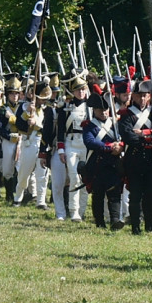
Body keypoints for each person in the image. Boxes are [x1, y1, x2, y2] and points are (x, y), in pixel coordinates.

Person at [118, 78, 152, 235]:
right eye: (139, 96)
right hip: (135, 157)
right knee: (136, 193)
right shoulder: (126, 114)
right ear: (134, 96)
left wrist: (144, 133)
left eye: (145, 95)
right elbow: (127, 136)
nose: (142, 99)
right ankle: (135, 227)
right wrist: (150, 139)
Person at [82, 93, 125, 229]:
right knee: (98, 194)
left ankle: (115, 220)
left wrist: (120, 146)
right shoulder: (89, 125)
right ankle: (99, 222)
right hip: (97, 163)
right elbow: (90, 142)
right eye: (100, 110)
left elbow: (125, 137)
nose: (104, 112)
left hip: (113, 163)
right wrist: (109, 147)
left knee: (114, 192)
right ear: (94, 110)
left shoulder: (116, 124)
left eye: (106, 109)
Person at [57, 71, 91, 221]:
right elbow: (60, 130)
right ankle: (73, 210)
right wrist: (61, 149)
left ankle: (82, 210)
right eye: (78, 89)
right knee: (73, 177)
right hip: (71, 143)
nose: (81, 92)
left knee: (85, 178)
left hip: (86, 144)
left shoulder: (90, 107)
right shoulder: (65, 107)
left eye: (83, 89)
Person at [13, 80, 51, 208]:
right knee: (24, 173)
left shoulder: (48, 110)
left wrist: (36, 124)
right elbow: (19, 125)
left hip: (42, 142)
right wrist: (26, 114)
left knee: (42, 175)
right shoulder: (24, 107)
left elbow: (48, 129)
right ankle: (18, 197)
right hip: (29, 142)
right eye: (41, 98)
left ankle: (41, 201)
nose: (43, 101)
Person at [0, 75, 22, 202]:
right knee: (7, 169)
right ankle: (9, 195)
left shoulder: (22, 108)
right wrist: (8, 136)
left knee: (21, 167)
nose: (15, 96)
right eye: (12, 93)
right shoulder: (2, 109)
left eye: (17, 93)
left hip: (21, 140)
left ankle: (20, 194)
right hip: (8, 140)